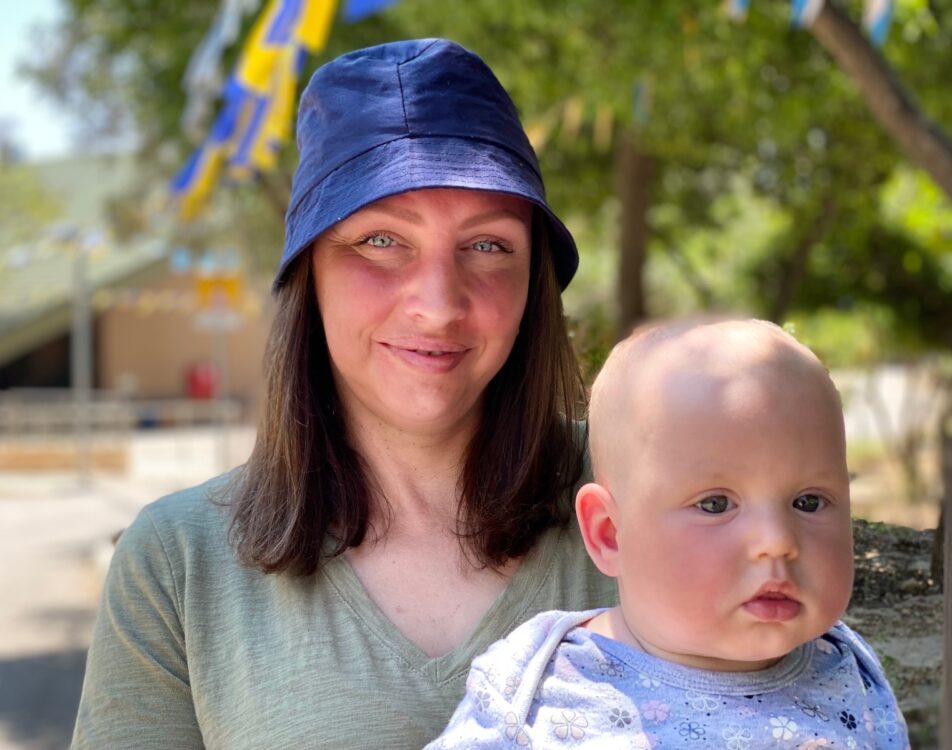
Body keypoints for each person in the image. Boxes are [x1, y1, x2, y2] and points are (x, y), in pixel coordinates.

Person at [70, 38, 615, 749]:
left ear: (533, 280)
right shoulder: (179, 564)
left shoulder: (654, 493)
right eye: (381, 241)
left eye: (487, 246)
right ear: (310, 277)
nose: (438, 304)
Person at [429, 318, 910, 749]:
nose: (777, 540)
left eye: (808, 502)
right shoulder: (537, 690)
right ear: (610, 534)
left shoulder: (850, 669)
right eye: (716, 504)